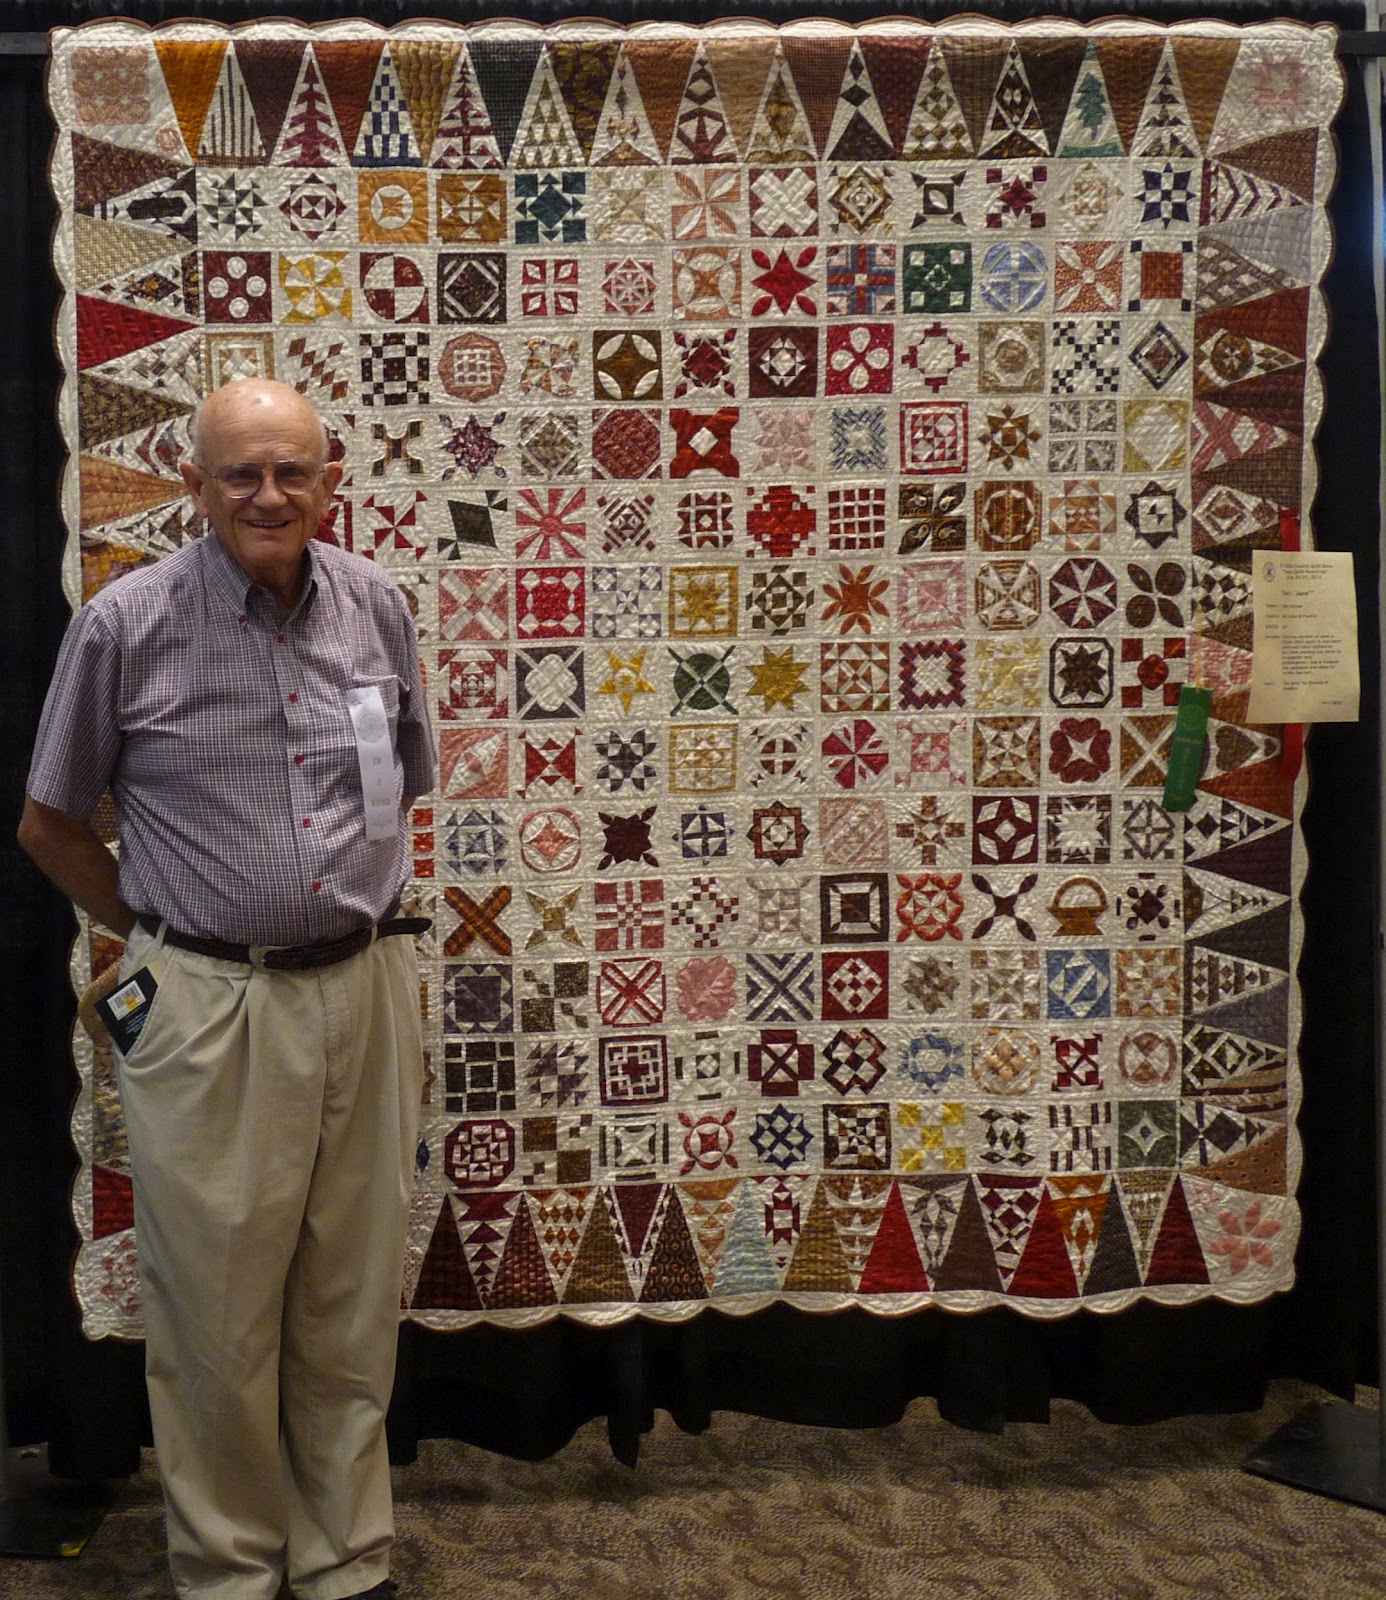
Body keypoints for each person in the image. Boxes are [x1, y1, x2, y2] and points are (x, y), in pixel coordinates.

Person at [19, 378, 435, 1600]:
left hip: (367, 989)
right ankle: (231, 1568)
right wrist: (156, 938)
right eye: (241, 472)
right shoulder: (128, 624)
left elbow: (401, 783)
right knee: (217, 1316)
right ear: (193, 483)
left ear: (330, 476)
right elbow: (50, 824)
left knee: (351, 1301)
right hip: (210, 1006)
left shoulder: (377, 605)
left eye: (292, 470)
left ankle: (346, 1557)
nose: (269, 494)